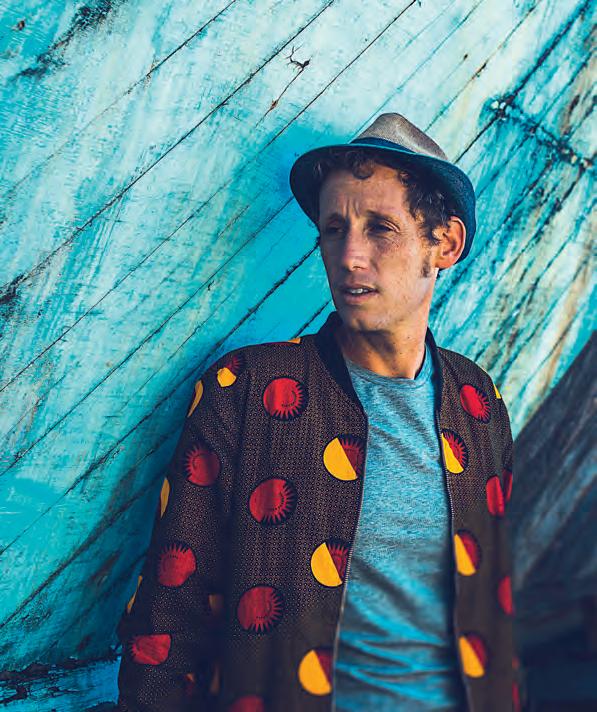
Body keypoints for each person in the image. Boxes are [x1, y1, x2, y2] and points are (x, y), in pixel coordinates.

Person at [115, 113, 524, 711]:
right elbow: (170, 609)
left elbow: (490, 601)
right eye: (334, 229)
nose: (350, 255)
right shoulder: (248, 389)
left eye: (380, 228)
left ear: (445, 245)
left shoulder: (478, 402)